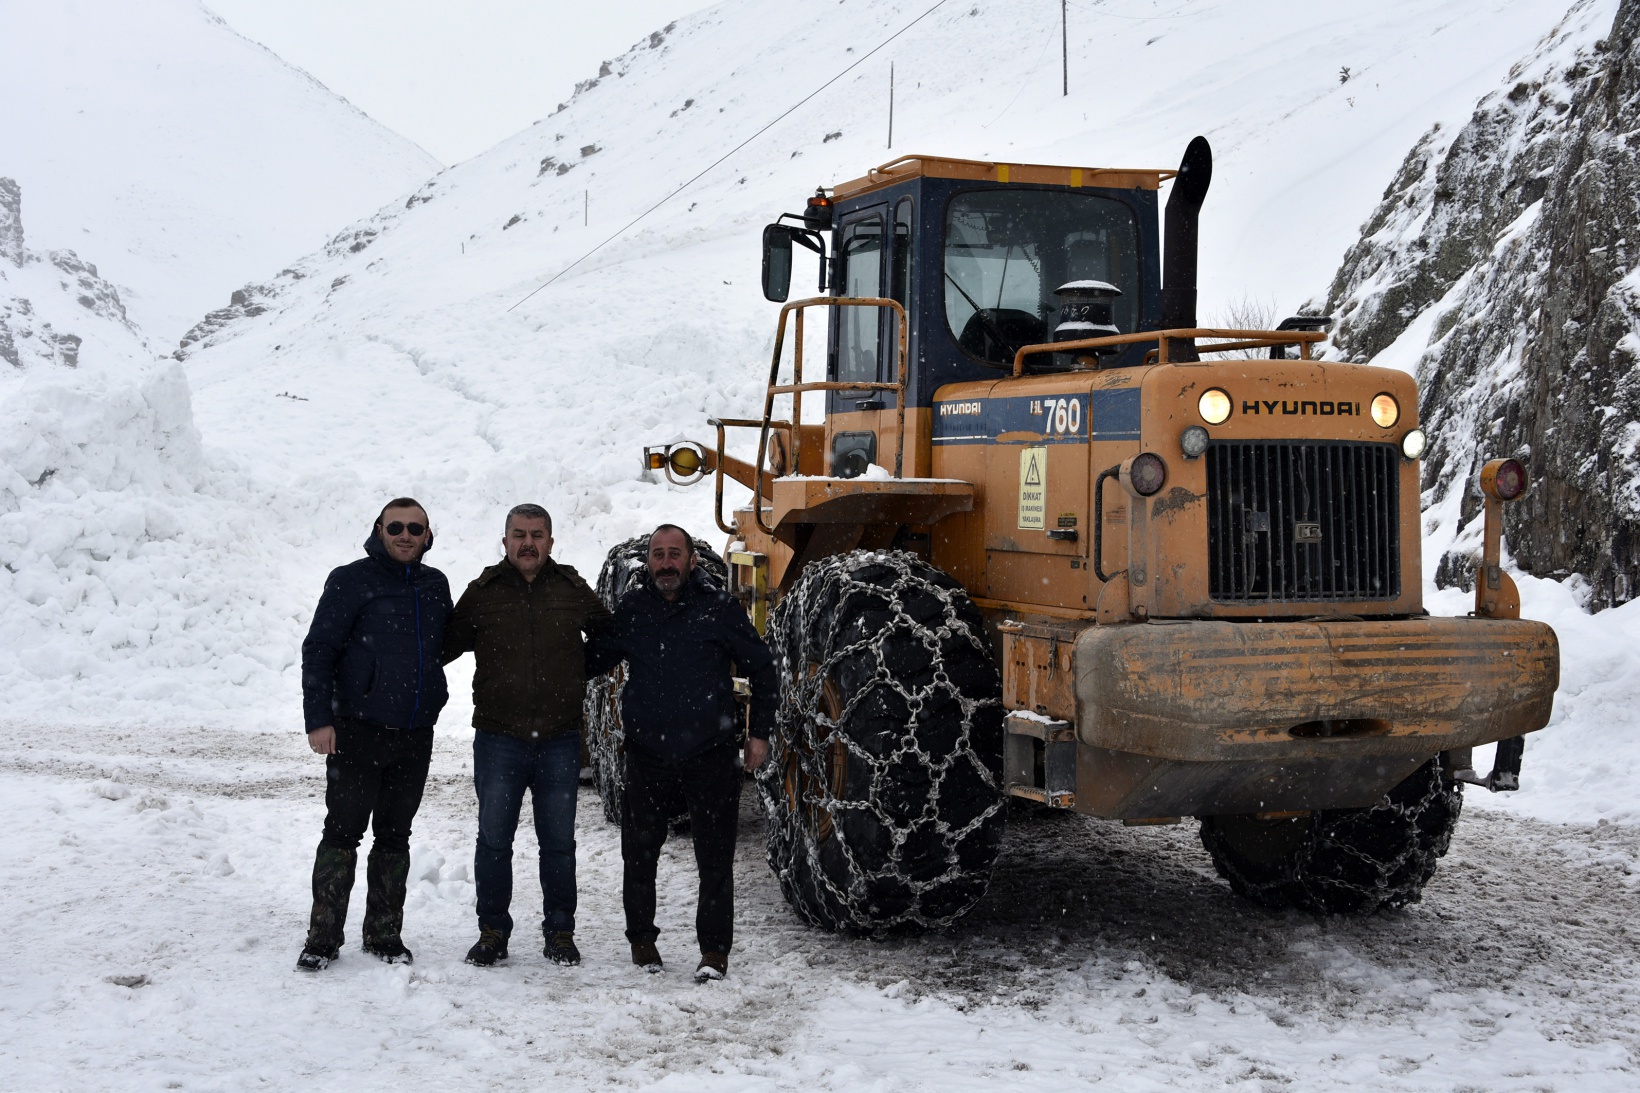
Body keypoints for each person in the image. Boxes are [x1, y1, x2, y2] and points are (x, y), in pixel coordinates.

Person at [588, 524, 776, 982]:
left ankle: (714, 952)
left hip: (709, 753)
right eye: (658, 554)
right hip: (647, 753)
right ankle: (642, 940)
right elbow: (591, 661)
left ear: (691, 561)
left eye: (675, 554)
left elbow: (762, 667)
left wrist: (759, 733)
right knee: (639, 853)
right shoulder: (632, 609)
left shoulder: (718, 608)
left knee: (714, 859)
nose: (666, 563)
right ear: (648, 562)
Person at [442, 504, 613, 967]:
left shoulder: (571, 589)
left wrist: (575, 672)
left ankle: (560, 932)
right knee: (494, 841)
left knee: (558, 843)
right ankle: (493, 930)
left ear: (551, 542)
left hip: (559, 739)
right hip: (499, 738)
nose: (528, 543)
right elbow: (442, 646)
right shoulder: (484, 592)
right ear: (505, 541)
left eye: (537, 535)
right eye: (519, 534)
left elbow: (608, 638)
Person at [297, 498, 453, 972]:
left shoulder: (434, 585)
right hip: (356, 732)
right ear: (379, 530)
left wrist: (429, 691)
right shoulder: (351, 580)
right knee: (342, 835)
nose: (406, 535)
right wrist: (319, 718)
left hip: (413, 734)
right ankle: (323, 938)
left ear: (428, 535)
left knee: (394, 838)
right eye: (397, 527)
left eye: (416, 528)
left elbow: (440, 648)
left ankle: (384, 934)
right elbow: (319, 649)